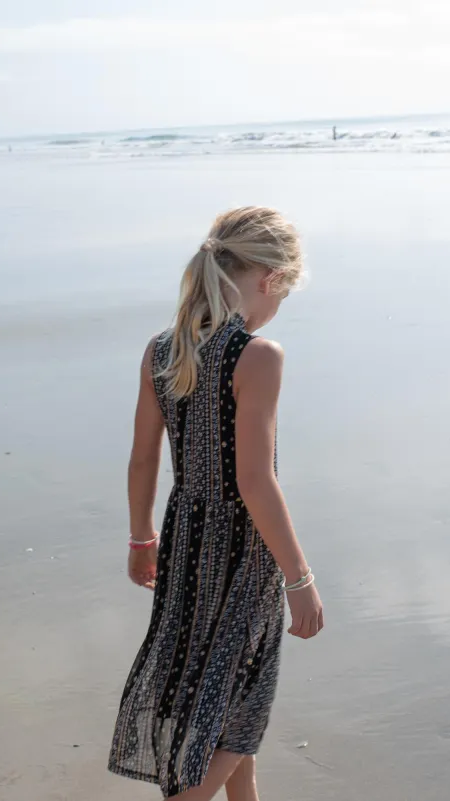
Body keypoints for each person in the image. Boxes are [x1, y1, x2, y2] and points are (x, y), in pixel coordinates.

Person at [108, 207, 323, 800]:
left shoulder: (162, 350)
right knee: (244, 704)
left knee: (210, 690)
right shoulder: (258, 356)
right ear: (269, 280)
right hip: (244, 554)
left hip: (185, 545)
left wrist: (140, 539)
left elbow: (142, 459)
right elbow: (255, 482)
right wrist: (298, 578)